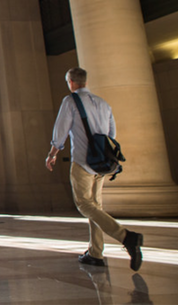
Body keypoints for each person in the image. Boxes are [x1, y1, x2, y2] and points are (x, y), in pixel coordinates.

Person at [46, 67, 144, 270]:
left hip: (82, 162)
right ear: (86, 82)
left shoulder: (70, 101)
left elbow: (60, 131)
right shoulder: (103, 103)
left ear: (71, 82)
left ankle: (126, 237)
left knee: (84, 205)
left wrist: (52, 154)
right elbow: (111, 134)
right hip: (101, 164)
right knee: (96, 208)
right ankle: (96, 253)